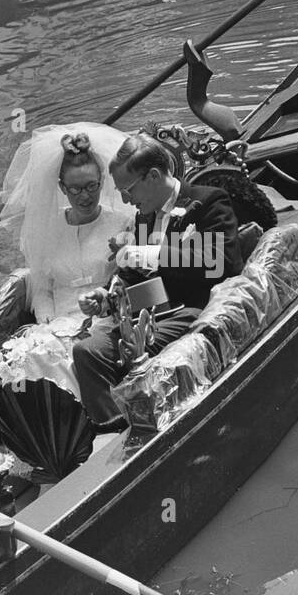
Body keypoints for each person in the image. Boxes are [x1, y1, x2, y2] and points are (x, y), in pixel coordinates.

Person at [72, 133, 243, 430]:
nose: (125, 199)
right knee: (87, 351)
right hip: (152, 309)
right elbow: (132, 275)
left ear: (152, 176)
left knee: (131, 350)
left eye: (127, 189)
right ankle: (115, 429)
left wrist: (145, 253)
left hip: (196, 308)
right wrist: (107, 297)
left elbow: (219, 263)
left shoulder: (208, 201)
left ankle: (154, 424)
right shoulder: (143, 216)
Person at [0, 124, 134, 398]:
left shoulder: (122, 223)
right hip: (56, 322)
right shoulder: (46, 229)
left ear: (102, 181)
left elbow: (127, 284)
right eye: (76, 189)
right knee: (34, 355)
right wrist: (50, 325)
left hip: (105, 318)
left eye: (92, 186)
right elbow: (42, 289)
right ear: (62, 187)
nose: (85, 196)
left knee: (76, 356)